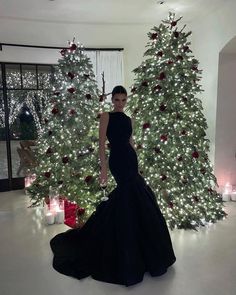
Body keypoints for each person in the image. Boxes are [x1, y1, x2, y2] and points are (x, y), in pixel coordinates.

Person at [50, 85, 176, 287]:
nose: (120, 103)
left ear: (126, 100)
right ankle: (123, 246)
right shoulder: (106, 116)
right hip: (117, 160)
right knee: (128, 195)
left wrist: (138, 162)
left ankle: (138, 247)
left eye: (123, 100)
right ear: (112, 100)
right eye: (117, 100)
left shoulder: (128, 119)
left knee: (134, 197)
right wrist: (103, 169)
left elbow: (131, 141)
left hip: (130, 159)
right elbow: (102, 144)